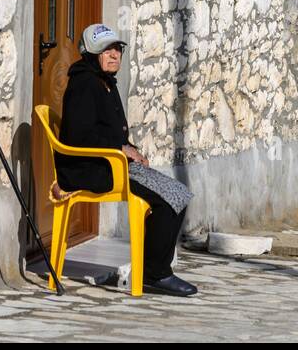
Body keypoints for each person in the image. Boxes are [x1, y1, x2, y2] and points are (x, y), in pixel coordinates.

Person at [51, 23, 197, 296]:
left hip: (110, 163)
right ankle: (156, 273)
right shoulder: (84, 84)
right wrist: (120, 147)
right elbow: (80, 135)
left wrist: (130, 148)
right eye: (106, 50)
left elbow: (107, 129)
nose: (114, 54)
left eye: (117, 48)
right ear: (92, 54)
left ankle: (151, 268)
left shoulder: (104, 82)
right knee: (168, 201)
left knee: (177, 194)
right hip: (90, 168)